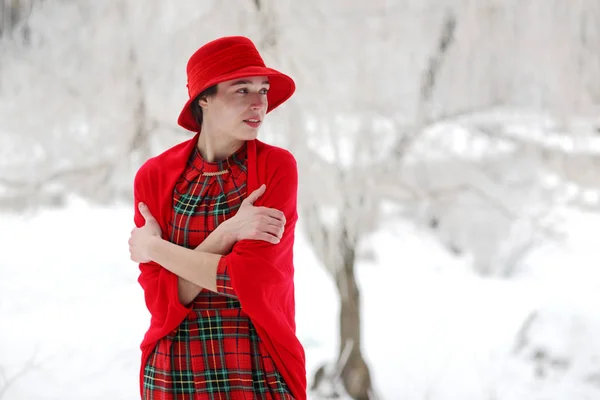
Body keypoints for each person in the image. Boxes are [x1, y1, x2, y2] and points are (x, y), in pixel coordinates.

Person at [128, 36, 306, 400]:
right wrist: (228, 234)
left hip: (255, 366)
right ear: (204, 99)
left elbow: (249, 280)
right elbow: (160, 300)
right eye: (242, 90)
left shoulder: (276, 168)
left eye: (263, 90)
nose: (259, 104)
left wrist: (155, 248)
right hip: (172, 369)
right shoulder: (154, 176)